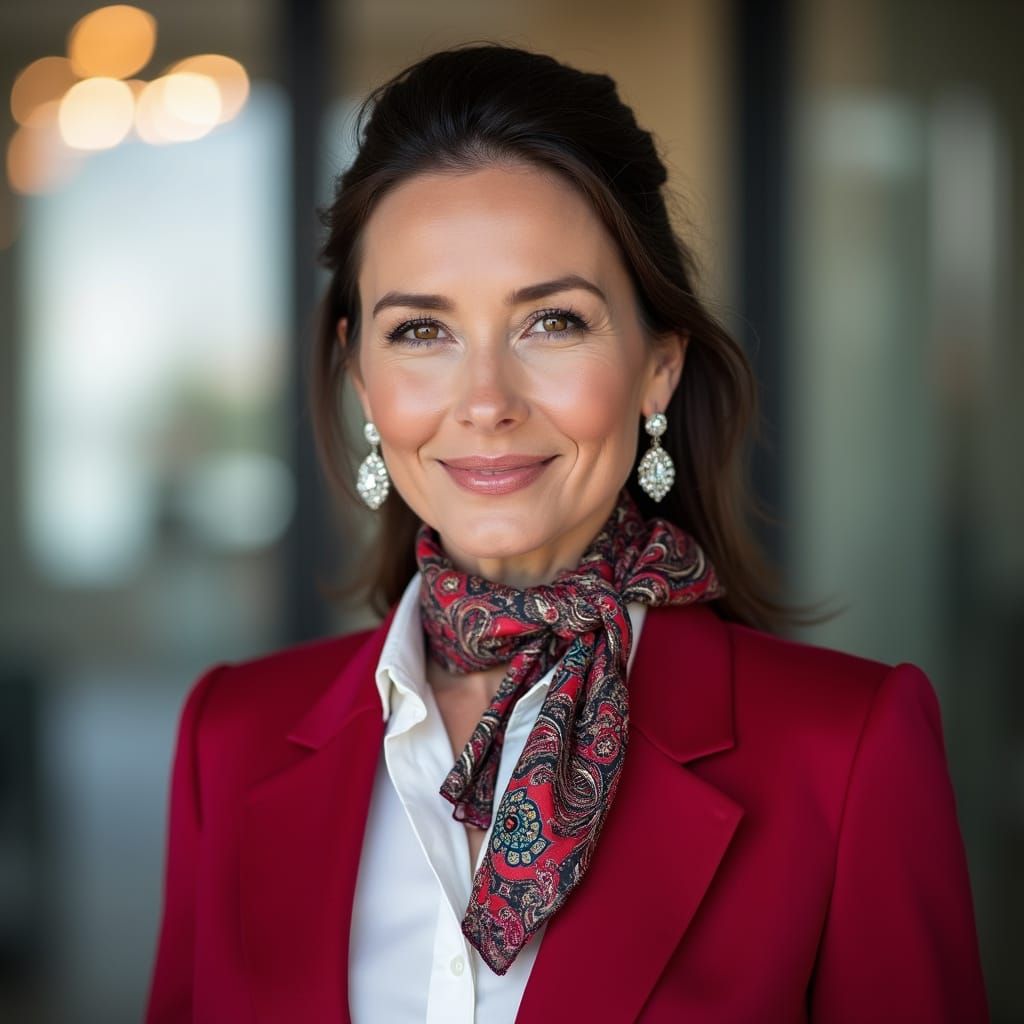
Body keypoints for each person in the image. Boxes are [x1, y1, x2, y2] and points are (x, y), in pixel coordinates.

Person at [144, 43, 988, 1024]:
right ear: (359, 376)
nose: (486, 400)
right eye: (422, 331)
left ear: (657, 366)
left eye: (551, 322)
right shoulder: (229, 740)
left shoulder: (844, 753)